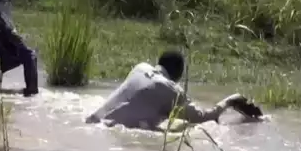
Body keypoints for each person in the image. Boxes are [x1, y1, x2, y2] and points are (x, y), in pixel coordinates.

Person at [85, 50, 248, 130]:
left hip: (93, 121)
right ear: (178, 73)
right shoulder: (170, 89)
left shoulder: (140, 68)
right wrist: (230, 100)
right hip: (110, 129)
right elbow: (203, 118)